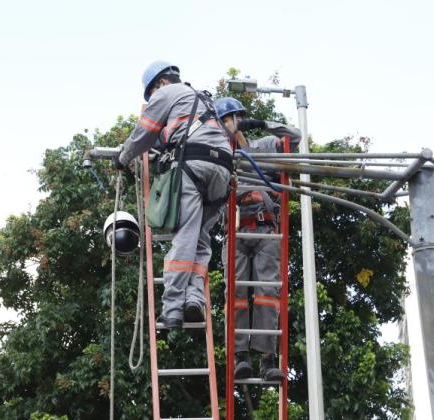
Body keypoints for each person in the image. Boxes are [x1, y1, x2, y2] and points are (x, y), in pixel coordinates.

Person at [115, 61, 232, 329]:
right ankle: (193, 300)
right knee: (201, 240)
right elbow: (169, 136)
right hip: (222, 171)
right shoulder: (203, 99)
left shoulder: (166, 94)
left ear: (162, 82)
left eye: (154, 89)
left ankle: (172, 310)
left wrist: (123, 157)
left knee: (185, 236)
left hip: (193, 166)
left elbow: (144, 133)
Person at [214, 97, 301, 381]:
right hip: (234, 230)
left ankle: (268, 359)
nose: (232, 125)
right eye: (226, 120)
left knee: (266, 292)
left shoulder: (260, 146)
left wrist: (263, 124)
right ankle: (240, 356)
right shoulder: (214, 152)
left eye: (236, 118)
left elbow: (294, 137)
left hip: (264, 230)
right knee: (236, 294)